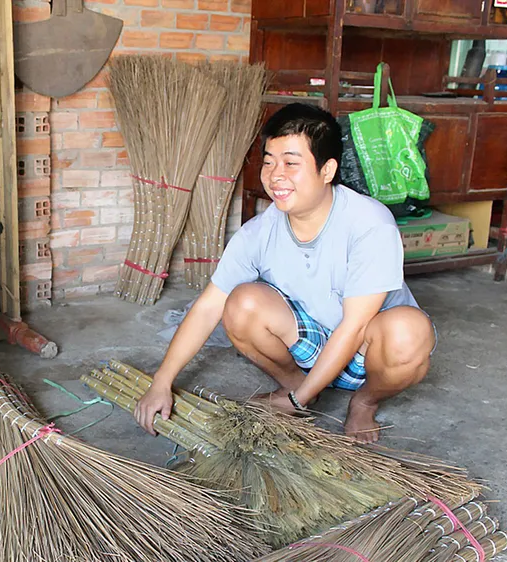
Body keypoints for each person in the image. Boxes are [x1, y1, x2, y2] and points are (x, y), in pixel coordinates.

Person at [135, 103, 436, 445]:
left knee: (409, 333)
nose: (275, 175)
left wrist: (296, 404)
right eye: (268, 161)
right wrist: (161, 382)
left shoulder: (370, 224)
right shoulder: (260, 231)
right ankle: (295, 383)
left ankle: (363, 401)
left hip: (365, 350)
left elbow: (353, 328)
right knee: (241, 303)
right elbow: (207, 308)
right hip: (309, 343)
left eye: (291, 163)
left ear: (327, 170)